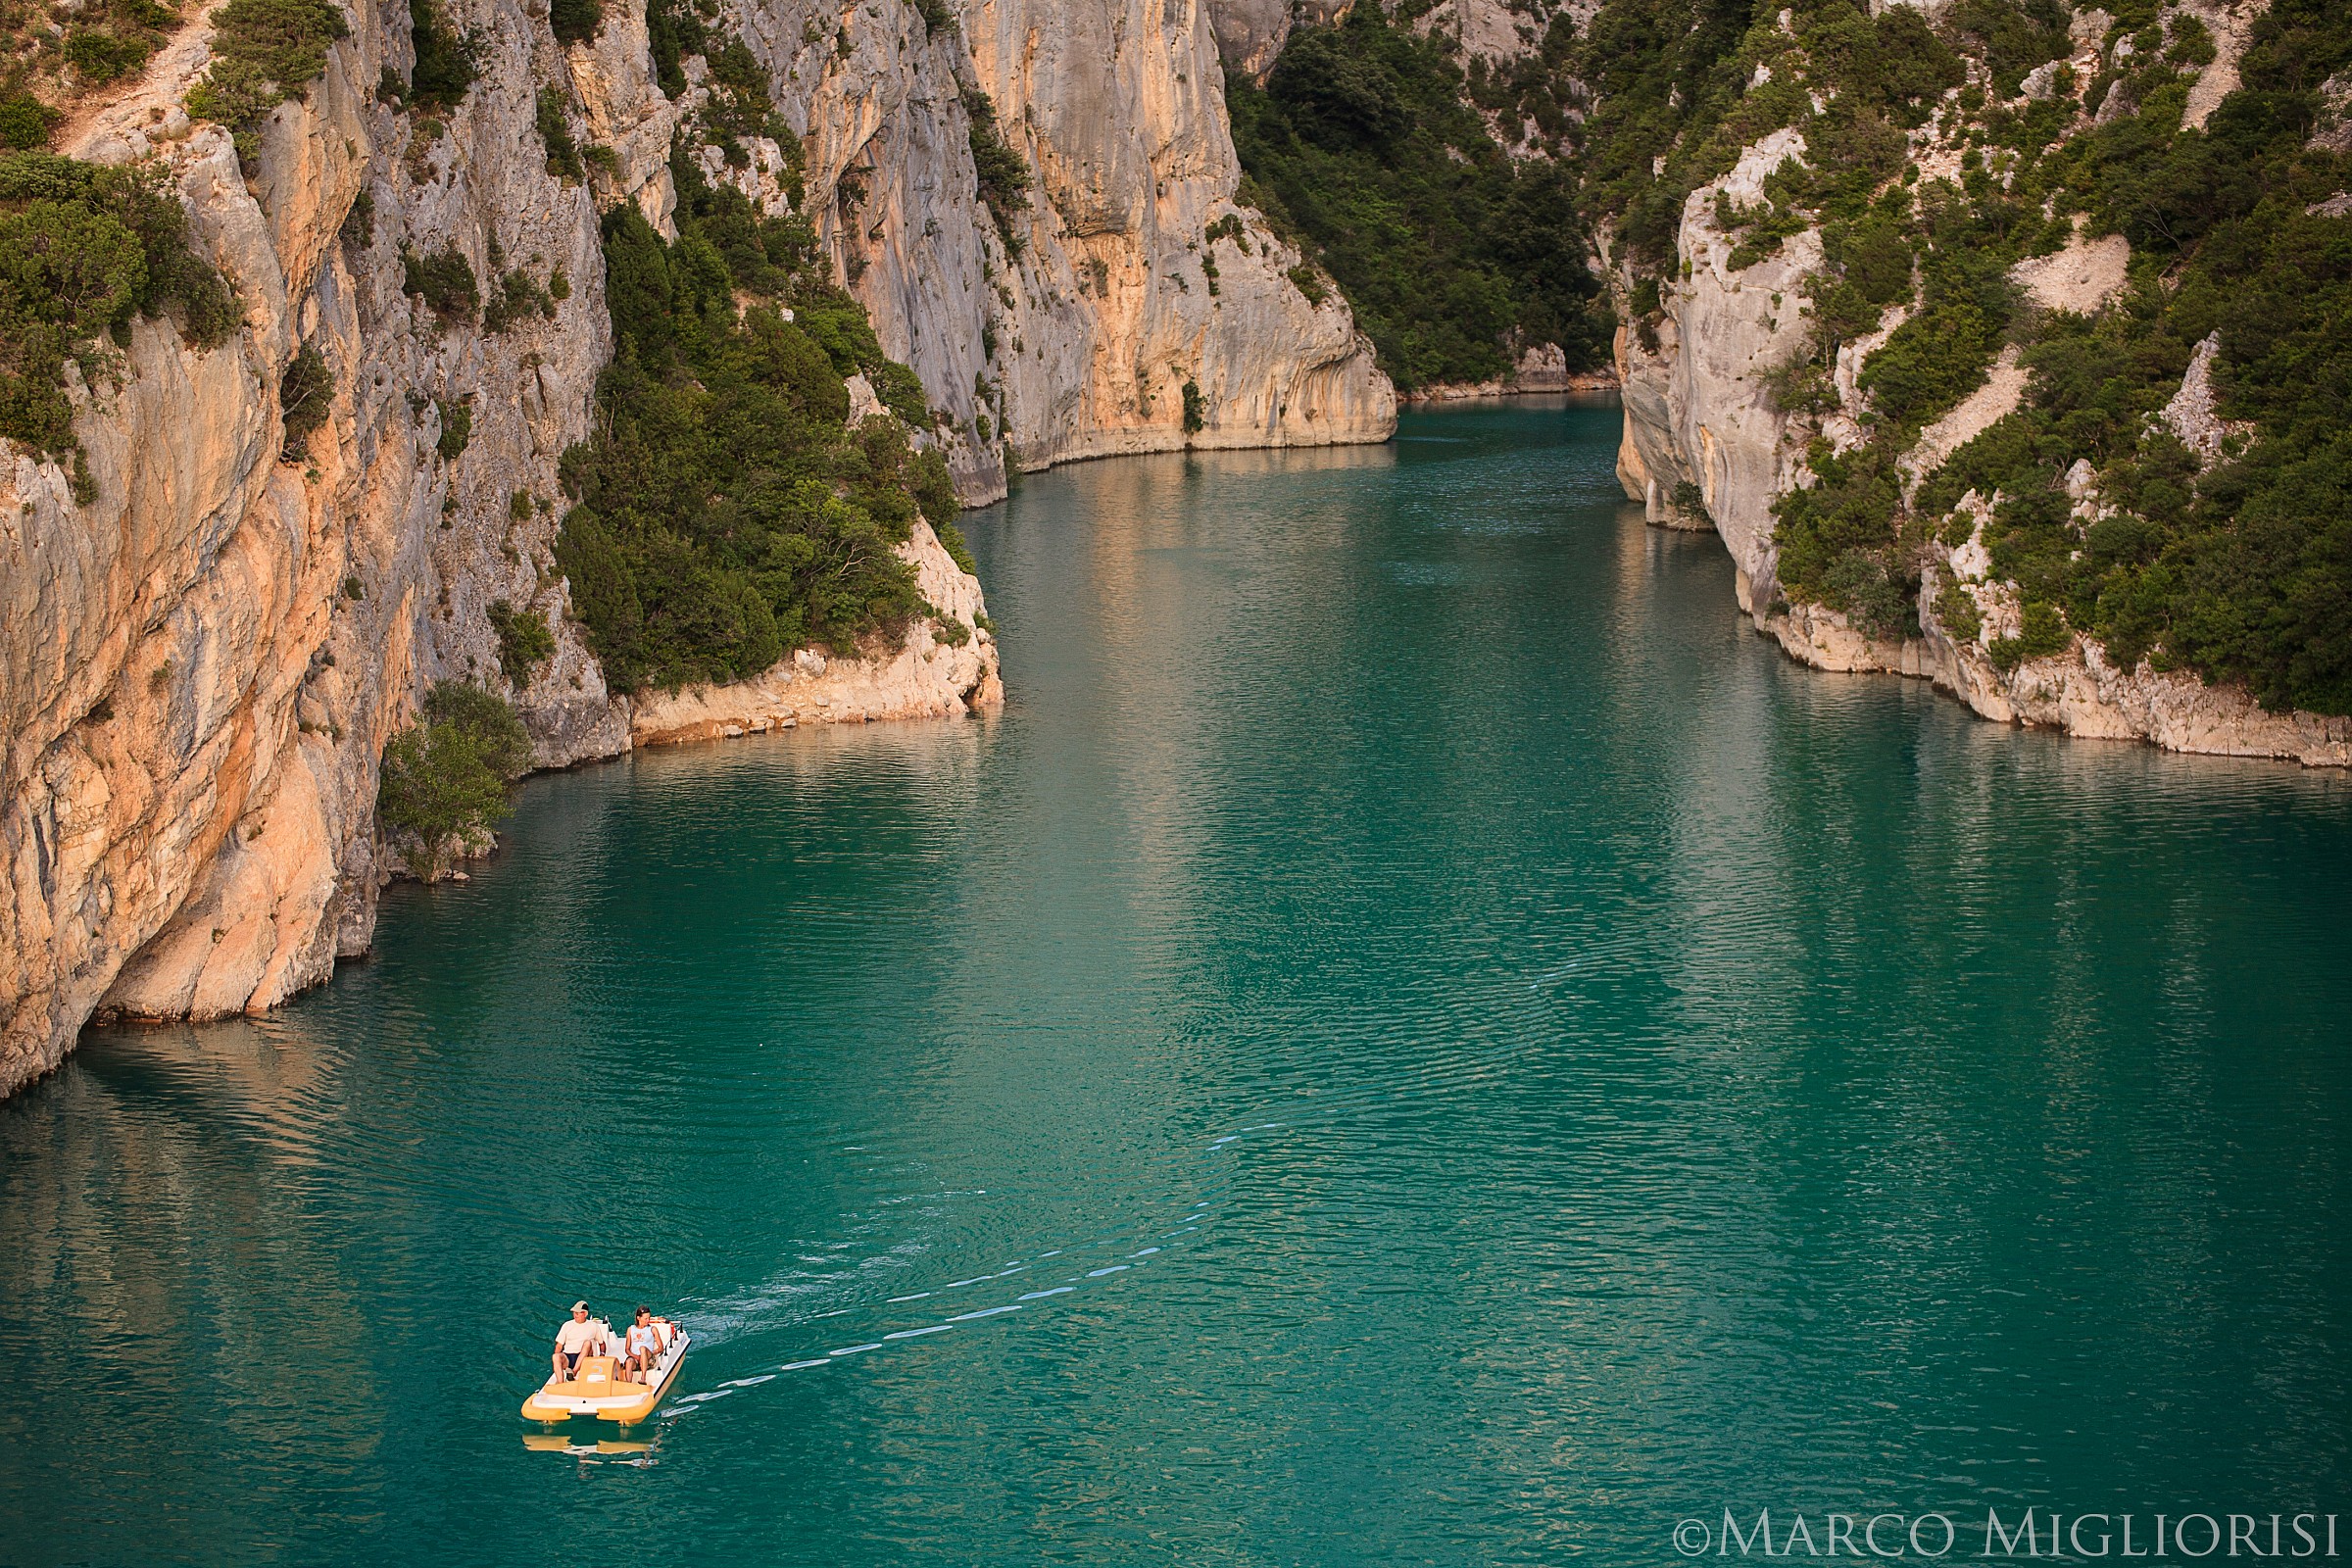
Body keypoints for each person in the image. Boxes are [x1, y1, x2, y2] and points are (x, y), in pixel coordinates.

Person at [552, 1300, 601, 1381]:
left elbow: (602, 1343)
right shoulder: (567, 1325)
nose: (575, 1315)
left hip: (584, 1356)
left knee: (587, 1343)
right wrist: (557, 1362)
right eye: (574, 1313)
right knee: (555, 1356)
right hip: (568, 1356)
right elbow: (559, 1345)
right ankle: (560, 1383)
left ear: (585, 1314)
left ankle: (573, 1372)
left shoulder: (593, 1326)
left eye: (578, 1313)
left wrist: (602, 1356)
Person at [623, 1305, 663, 1380]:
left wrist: (652, 1353)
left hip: (648, 1357)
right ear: (638, 1318)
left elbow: (661, 1347)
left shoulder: (652, 1329)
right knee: (629, 1361)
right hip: (636, 1358)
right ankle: (628, 1384)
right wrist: (636, 1357)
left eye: (649, 1318)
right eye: (645, 1319)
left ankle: (643, 1378)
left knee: (642, 1349)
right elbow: (627, 1349)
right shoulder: (630, 1329)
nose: (648, 1320)